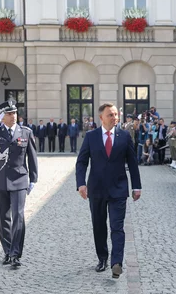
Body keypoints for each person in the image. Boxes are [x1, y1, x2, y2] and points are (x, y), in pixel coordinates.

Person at [76, 102, 141, 279]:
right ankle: (102, 258)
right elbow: (82, 162)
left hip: (118, 189)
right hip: (96, 189)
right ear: (101, 118)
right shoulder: (91, 137)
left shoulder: (124, 136)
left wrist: (136, 186)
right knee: (99, 226)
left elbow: (133, 163)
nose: (114, 118)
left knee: (117, 227)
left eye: (115, 115)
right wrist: (81, 184)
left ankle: (116, 263)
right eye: (110, 115)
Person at [0, 100, 38, 268]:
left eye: (14, 113)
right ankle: (7, 251)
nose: (13, 116)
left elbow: (32, 156)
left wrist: (33, 178)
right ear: (1, 116)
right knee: (2, 218)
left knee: (18, 216)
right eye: (8, 114)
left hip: (19, 179)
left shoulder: (25, 132)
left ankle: (15, 253)